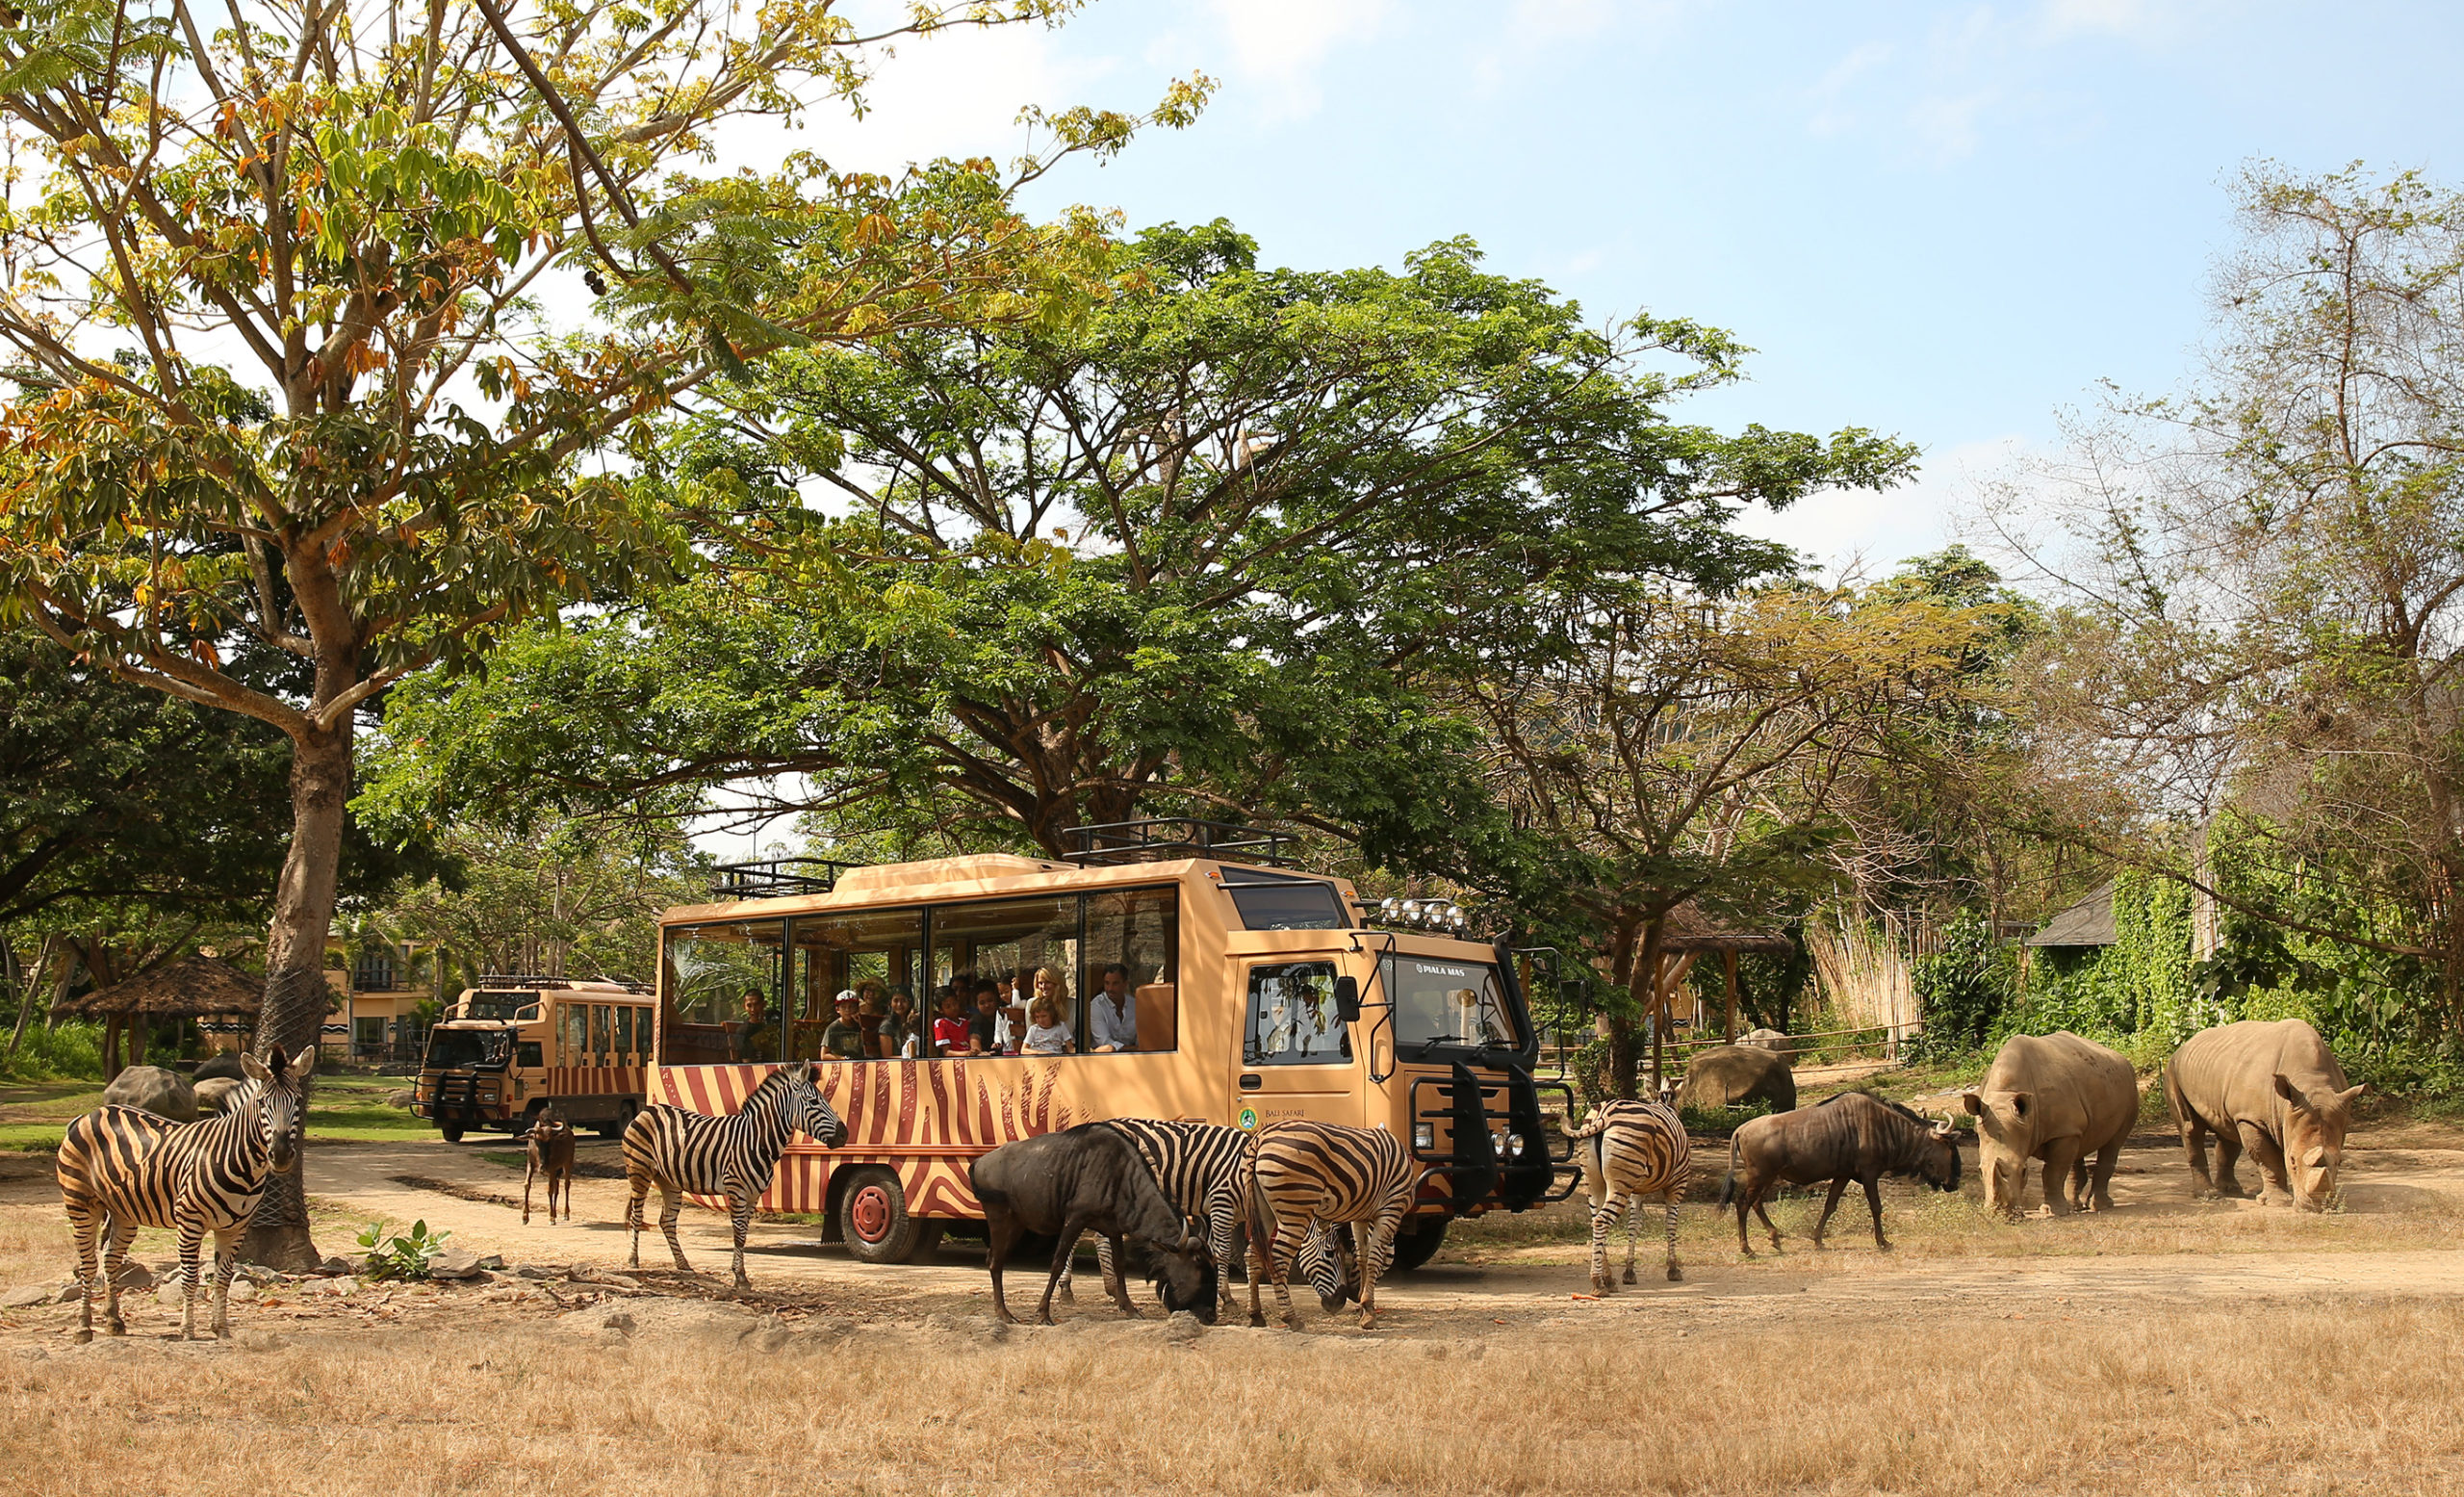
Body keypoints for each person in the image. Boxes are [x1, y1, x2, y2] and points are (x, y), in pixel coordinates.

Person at [1089, 963, 1136, 1053]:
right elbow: (1105, 1042)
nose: (1110, 988)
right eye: (1107, 983)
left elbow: (1141, 1037)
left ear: (1125, 983)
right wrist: (1134, 1048)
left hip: (1135, 1057)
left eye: (1115, 983)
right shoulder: (1096, 1005)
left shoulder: (1134, 1004)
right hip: (1104, 1059)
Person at [821, 990, 866, 1061]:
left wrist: (862, 1025)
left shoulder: (862, 1025)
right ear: (837, 1009)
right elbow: (824, 1055)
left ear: (857, 1008)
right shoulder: (833, 1028)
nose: (847, 1010)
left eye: (851, 1006)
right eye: (843, 1007)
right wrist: (844, 1058)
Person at [967, 981, 1009, 1055]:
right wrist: (980, 1053)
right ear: (976, 1005)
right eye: (982, 1003)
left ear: (998, 1000)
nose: (987, 1005)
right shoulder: (976, 1021)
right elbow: (975, 1041)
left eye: (990, 1000)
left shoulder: (1005, 1015)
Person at [883, 988, 920, 1058]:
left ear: (909, 1002)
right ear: (890, 1003)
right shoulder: (887, 1026)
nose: (899, 1004)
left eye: (903, 1000)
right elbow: (887, 1056)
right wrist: (907, 1057)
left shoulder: (915, 1021)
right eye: (896, 1001)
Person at [931, 991, 970, 1057]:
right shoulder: (941, 1023)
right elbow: (947, 1053)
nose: (953, 1008)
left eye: (955, 1004)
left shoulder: (966, 1022)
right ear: (940, 1009)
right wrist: (967, 1054)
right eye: (948, 1006)